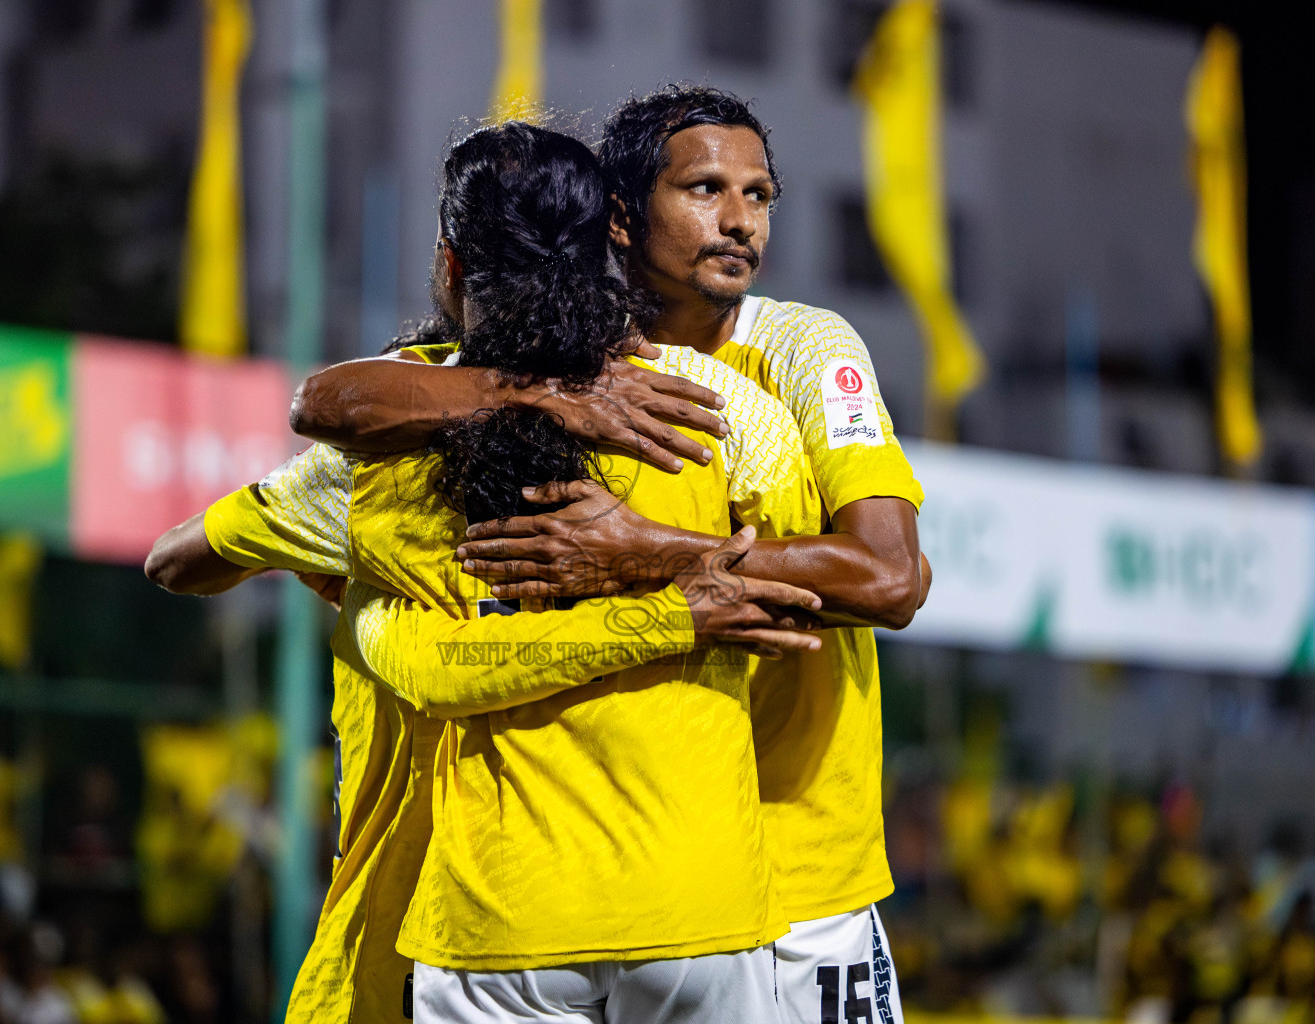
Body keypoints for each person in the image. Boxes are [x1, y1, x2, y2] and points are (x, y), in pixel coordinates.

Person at [148, 121, 824, 1023]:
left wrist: (356, 606)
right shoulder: (726, 411)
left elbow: (177, 558)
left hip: (496, 921)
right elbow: (833, 586)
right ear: (610, 250)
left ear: (453, 267)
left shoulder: (372, 459)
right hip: (702, 904)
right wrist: (689, 579)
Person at [291, 85, 928, 1024]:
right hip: (619, 877)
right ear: (622, 220)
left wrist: (649, 553)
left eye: (759, 195)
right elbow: (327, 405)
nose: (740, 221)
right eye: (706, 189)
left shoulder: (802, 348)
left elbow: (890, 578)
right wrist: (532, 397)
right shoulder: (557, 359)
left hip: (801, 862)